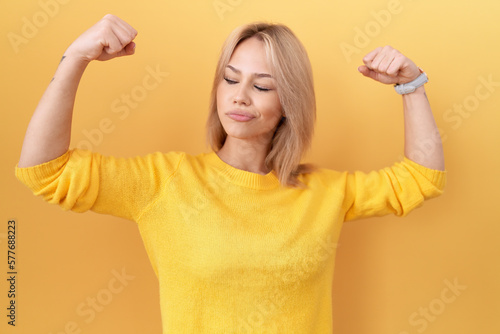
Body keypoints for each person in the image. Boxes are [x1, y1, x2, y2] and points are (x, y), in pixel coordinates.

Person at [15, 14, 446, 333]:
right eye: (229, 78)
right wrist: (75, 58)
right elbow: (45, 172)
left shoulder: (324, 192)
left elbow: (420, 180)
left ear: (288, 105)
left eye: (261, 86)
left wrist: (412, 85)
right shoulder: (164, 182)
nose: (239, 97)